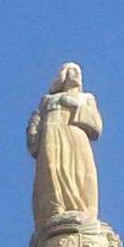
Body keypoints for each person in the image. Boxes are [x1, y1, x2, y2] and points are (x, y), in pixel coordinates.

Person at [27, 63, 102, 229]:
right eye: (73, 71)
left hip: (75, 135)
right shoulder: (47, 100)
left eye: (79, 72)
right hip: (51, 136)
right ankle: (56, 208)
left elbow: (96, 126)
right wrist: (33, 131)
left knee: (79, 169)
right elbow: (36, 122)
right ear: (63, 75)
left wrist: (75, 105)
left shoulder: (86, 98)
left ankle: (81, 209)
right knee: (51, 169)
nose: (77, 74)